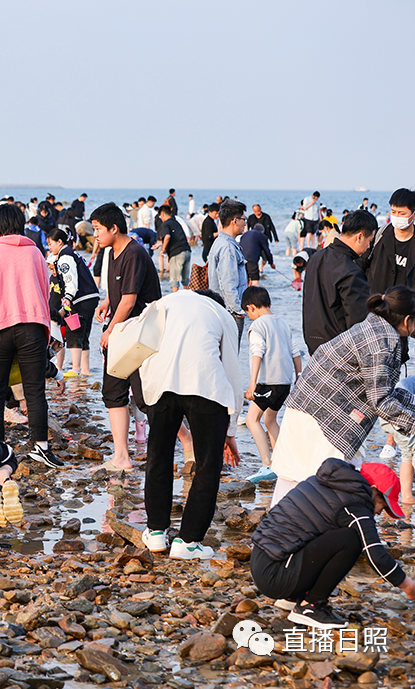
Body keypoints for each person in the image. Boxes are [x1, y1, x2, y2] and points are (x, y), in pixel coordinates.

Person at [271, 286, 415, 505]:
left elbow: (378, 388)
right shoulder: (380, 343)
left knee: (296, 485)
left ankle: (277, 533)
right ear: (407, 319)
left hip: (309, 409)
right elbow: (380, 400)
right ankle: (281, 535)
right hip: (320, 419)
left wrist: (414, 401)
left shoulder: (374, 327)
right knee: (309, 490)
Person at [252, 458, 415, 630]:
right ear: (373, 490)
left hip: (264, 563)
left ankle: (292, 597)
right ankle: (310, 607)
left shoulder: (329, 483)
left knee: (334, 532)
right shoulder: (356, 503)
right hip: (276, 577)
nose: (380, 512)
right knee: (352, 539)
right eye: (383, 504)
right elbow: (375, 554)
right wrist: (409, 586)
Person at [138, 290, 242, 560]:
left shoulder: (162, 303)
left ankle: (156, 532)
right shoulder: (222, 314)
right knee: (208, 465)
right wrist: (230, 431)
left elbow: (141, 349)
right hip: (205, 387)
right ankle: (189, 541)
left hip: (162, 385)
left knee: (158, 457)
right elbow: (232, 371)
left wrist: (148, 396)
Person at [0, 202, 60, 468]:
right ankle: (41, 446)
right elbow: (45, 290)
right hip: (32, 326)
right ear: (20, 225)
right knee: (35, 390)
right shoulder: (36, 253)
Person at [91, 203, 162, 472]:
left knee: (147, 397)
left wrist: (109, 330)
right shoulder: (112, 251)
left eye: (98, 229)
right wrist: (107, 301)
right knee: (113, 392)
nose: (95, 235)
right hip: (122, 330)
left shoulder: (133, 252)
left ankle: (187, 441)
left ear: (114, 228)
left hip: (139, 335)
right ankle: (121, 456)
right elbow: (121, 291)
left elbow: (131, 300)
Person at [241, 286, 303, 484]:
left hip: (268, 383)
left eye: (247, 312)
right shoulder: (283, 323)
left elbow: (257, 352)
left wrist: (252, 384)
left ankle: (267, 464)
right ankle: (280, 460)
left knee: (252, 420)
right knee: (270, 420)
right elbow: (295, 351)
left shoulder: (258, 326)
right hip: (284, 383)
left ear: (251, 307)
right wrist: (299, 375)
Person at [361, 189, 415, 362]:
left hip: (402, 324)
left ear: (414, 214)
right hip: (373, 316)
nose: (397, 216)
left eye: (402, 213)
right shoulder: (379, 236)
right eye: (393, 211)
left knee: (396, 366)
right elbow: (358, 268)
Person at [301, 209, 377, 354]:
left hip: (314, 344)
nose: (368, 247)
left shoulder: (316, 258)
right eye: (369, 241)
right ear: (359, 237)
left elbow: (308, 305)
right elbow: (358, 324)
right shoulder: (351, 271)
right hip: (339, 350)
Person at [47, 228, 98, 377]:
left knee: (73, 332)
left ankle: (75, 369)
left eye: (50, 244)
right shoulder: (72, 253)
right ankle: (85, 370)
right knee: (84, 334)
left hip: (80, 299)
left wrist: (66, 304)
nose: (49, 247)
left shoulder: (64, 257)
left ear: (59, 242)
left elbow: (71, 282)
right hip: (91, 297)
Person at [206, 201, 249, 342]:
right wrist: (237, 311)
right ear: (235, 221)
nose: (245, 223)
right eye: (244, 219)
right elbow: (227, 283)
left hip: (220, 309)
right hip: (230, 312)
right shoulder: (227, 248)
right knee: (230, 358)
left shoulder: (219, 242)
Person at [157, 205, 191, 293]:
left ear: (163, 215)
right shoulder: (176, 222)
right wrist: (160, 244)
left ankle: (175, 299)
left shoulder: (165, 224)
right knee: (185, 279)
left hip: (177, 253)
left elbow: (167, 236)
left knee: (174, 280)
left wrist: (163, 249)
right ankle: (188, 297)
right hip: (187, 251)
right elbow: (175, 238)